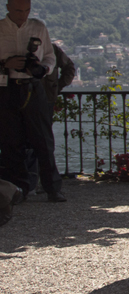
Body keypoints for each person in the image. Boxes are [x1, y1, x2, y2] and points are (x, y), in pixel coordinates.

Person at [0, 0, 66, 202]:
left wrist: (42, 69)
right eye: (18, 10)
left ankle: (53, 189)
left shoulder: (38, 27)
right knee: (11, 141)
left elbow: (49, 56)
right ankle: (17, 190)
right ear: (8, 7)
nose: (23, 15)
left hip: (32, 86)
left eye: (27, 10)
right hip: (6, 87)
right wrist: (5, 64)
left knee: (43, 140)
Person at [24, 42, 76, 194]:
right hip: (27, 98)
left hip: (44, 98)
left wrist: (57, 86)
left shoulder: (51, 48)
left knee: (42, 141)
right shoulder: (49, 48)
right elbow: (69, 68)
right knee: (33, 141)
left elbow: (69, 68)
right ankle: (32, 182)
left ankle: (37, 183)